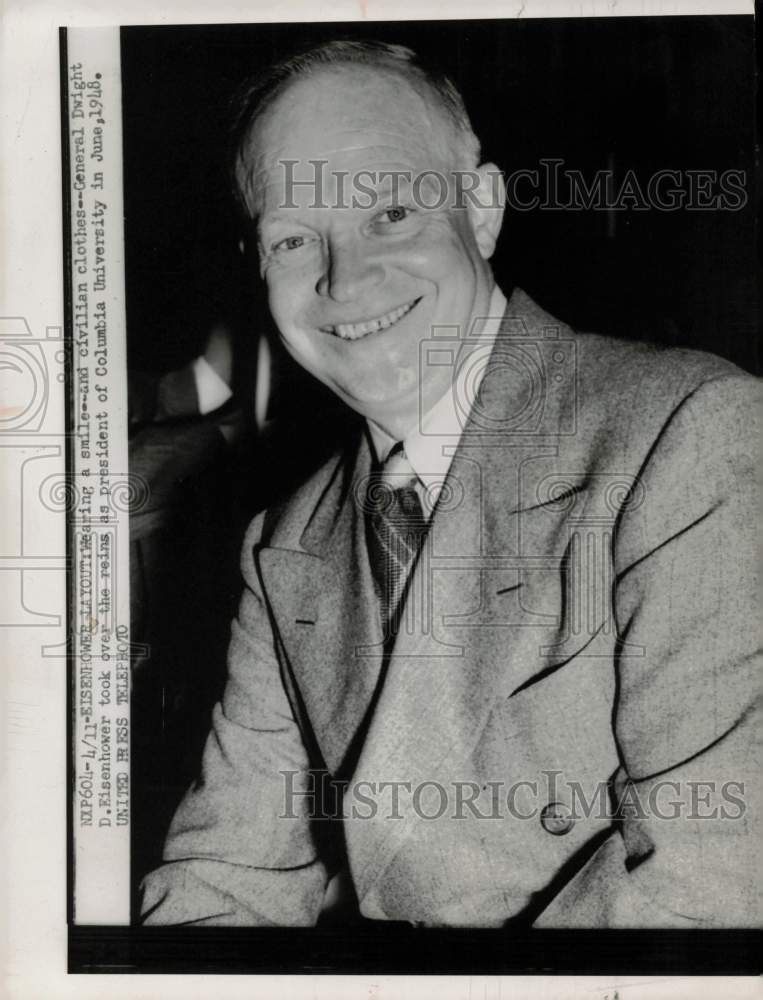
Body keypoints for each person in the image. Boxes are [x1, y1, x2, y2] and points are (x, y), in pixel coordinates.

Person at [140, 39, 760, 928]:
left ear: (481, 211)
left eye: (389, 212)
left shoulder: (690, 436)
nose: (345, 278)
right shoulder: (283, 544)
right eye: (292, 236)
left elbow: (709, 882)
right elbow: (225, 877)